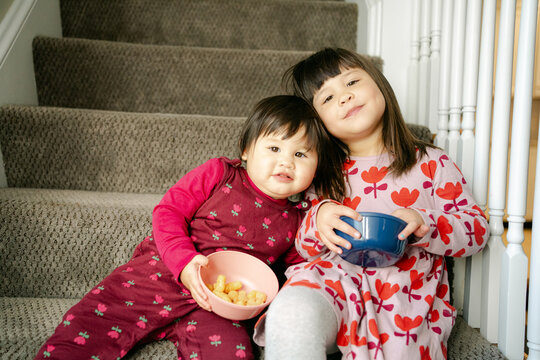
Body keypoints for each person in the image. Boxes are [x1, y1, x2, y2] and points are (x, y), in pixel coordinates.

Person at [35, 95, 347, 360]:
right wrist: (183, 263)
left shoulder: (298, 220)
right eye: (274, 149)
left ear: (316, 166)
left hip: (219, 307)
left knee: (233, 352)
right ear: (247, 150)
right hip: (161, 275)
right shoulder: (220, 173)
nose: (286, 162)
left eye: (301, 154)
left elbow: (299, 271)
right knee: (90, 325)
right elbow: (168, 211)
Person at [255, 48, 489, 360]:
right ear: (317, 122)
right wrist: (319, 217)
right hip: (333, 284)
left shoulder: (431, 163)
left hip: (404, 297)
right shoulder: (320, 171)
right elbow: (304, 247)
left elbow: (476, 229)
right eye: (327, 98)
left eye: (352, 82)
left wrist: (425, 224)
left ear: (379, 84)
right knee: (293, 313)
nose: (344, 97)